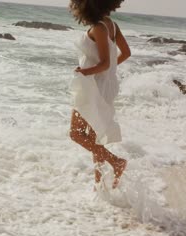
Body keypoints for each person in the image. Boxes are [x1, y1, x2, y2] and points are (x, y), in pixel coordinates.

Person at [68, 0, 131, 189]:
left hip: (94, 86)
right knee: (94, 137)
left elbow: (104, 63)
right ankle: (99, 186)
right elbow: (126, 53)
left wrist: (85, 72)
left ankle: (116, 162)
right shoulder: (112, 25)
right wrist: (108, 73)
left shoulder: (98, 28)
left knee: (76, 134)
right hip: (105, 85)